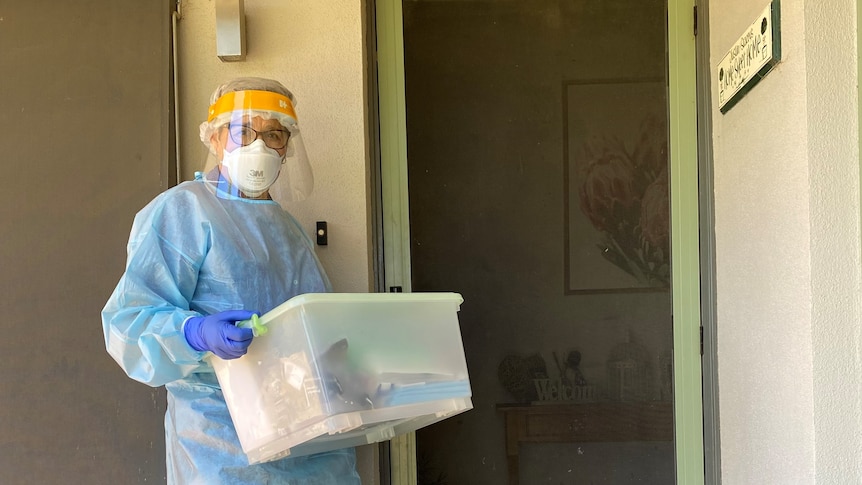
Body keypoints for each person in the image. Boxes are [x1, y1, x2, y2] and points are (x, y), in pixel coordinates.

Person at [102, 77, 360, 484]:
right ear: (215, 140)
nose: (258, 146)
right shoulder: (182, 211)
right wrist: (195, 332)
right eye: (242, 131)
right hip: (223, 447)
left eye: (273, 134)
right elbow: (129, 321)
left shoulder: (289, 230)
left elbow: (315, 325)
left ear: (287, 147)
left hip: (312, 447)